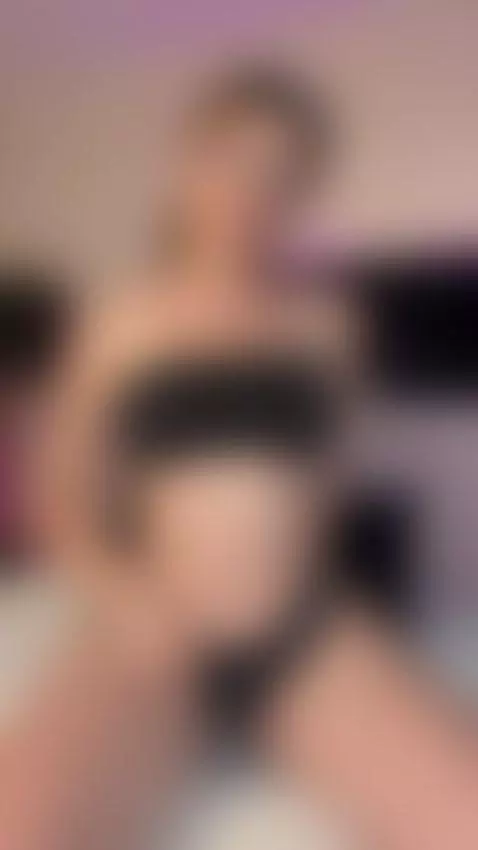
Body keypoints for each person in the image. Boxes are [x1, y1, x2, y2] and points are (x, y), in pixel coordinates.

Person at [1, 64, 476, 850]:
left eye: (278, 176)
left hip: (298, 632)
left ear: (303, 194)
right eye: (229, 164)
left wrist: (331, 612)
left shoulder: (326, 330)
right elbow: (66, 486)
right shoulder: (124, 321)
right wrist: (118, 589)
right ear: (187, 164)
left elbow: (323, 483)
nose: (248, 197)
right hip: (156, 634)